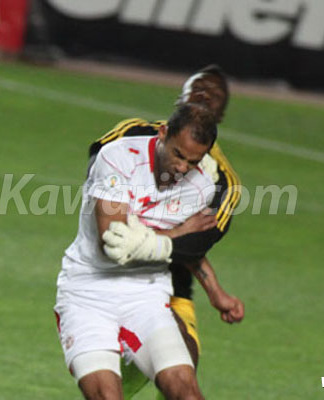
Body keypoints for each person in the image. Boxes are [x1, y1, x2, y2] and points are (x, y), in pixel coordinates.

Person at [88, 65, 245, 399]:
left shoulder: (222, 182)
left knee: (181, 384)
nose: (204, 95)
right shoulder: (132, 134)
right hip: (104, 282)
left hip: (169, 292)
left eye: (215, 95)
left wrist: (215, 291)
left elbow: (194, 244)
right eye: (198, 87)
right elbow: (98, 176)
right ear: (181, 97)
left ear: (221, 114)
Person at [55, 102, 224, 400]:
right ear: (163, 133)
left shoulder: (201, 187)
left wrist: (216, 292)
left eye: (193, 161)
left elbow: (187, 250)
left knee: (187, 394)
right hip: (88, 294)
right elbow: (112, 242)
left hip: (147, 297)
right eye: (178, 154)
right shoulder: (118, 157)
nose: (182, 168)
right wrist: (178, 233)